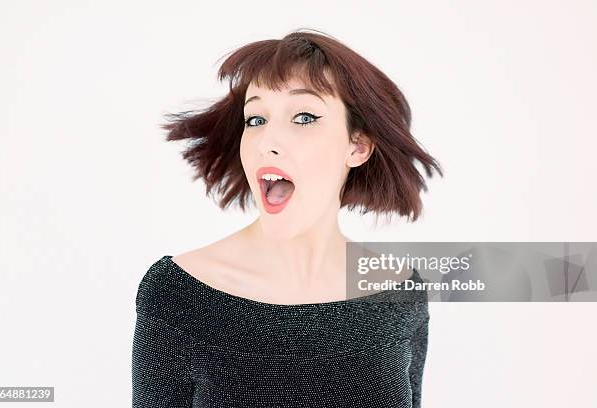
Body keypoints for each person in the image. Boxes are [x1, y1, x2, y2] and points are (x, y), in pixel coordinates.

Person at [132, 28, 442, 407]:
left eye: (305, 116)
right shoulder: (177, 293)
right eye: (256, 119)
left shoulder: (400, 294)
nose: (267, 142)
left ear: (357, 146)